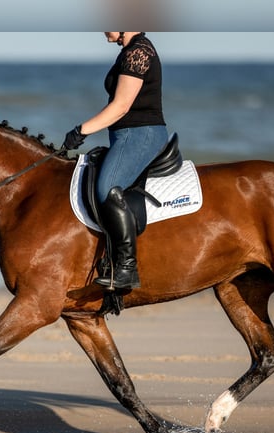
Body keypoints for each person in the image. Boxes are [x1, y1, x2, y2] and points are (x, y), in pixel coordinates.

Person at [63, 32, 168, 291]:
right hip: (125, 135)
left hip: (141, 135)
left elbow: (121, 106)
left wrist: (82, 130)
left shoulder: (138, 52)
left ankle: (126, 269)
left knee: (106, 188)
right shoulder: (129, 49)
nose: (105, 34)